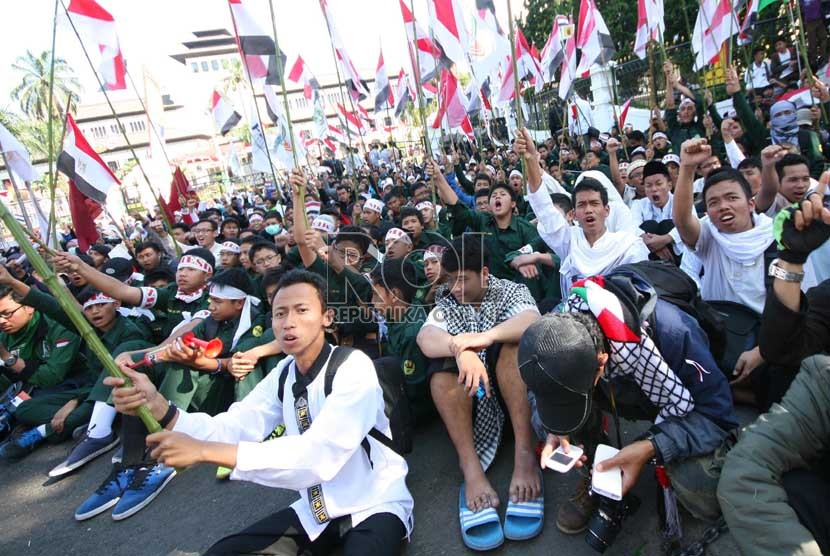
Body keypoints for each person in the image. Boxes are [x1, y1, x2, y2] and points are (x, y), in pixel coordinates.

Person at [106, 269, 413, 553]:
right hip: (316, 512)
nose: (288, 322)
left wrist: (203, 451)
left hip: (374, 504)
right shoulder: (284, 373)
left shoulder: (353, 366)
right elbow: (234, 426)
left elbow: (319, 456)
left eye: (302, 310)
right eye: (280, 313)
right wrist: (161, 407)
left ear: (327, 318)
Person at [521, 270, 737, 535]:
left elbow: (717, 416)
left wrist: (652, 446)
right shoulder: (554, 329)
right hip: (614, 383)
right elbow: (538, 391)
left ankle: (659, 456)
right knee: (568, 416)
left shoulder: (674, 333)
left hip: (668, 389)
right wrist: (553, 429)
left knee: (700, 489)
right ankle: (597, 475)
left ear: (601, 362)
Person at [416, 236, 542, 547]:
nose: (456, 289)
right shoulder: (446, 300)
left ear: (484, 273)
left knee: (514, 349)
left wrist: (483, 338)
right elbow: (426, 336)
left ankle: (525, 458)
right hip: (472, 399)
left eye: (463, 280)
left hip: (513, 398)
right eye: (451, 281)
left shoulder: (509, 289)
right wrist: (460, 350)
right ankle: (471, 470)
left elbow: (531, 320)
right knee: (441, 372)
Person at [516, 129, 648, 297]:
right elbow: (543, 206)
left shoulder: (628, 245)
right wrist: (530, 159)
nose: (588, 210)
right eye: (582, 205)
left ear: (607, 210)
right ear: (574, 214)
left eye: (594, 203)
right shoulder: (569, 240)